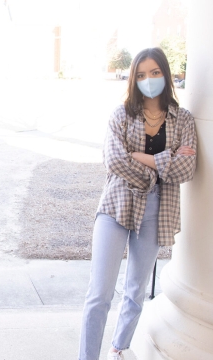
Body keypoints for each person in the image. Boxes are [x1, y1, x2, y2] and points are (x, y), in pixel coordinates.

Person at [78, 47, 197, 360]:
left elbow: (188, 169)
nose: (148, 80)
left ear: (165, 75)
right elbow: (114, 160)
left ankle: (118, 348)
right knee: (99, 294)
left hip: (158, 211)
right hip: (116, 205)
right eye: (141, 74)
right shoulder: (121, 115)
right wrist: (162, 166)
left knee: (135, 292)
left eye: (155, 72)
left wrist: (142, 157)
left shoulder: (182, 119)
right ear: (134, 79)